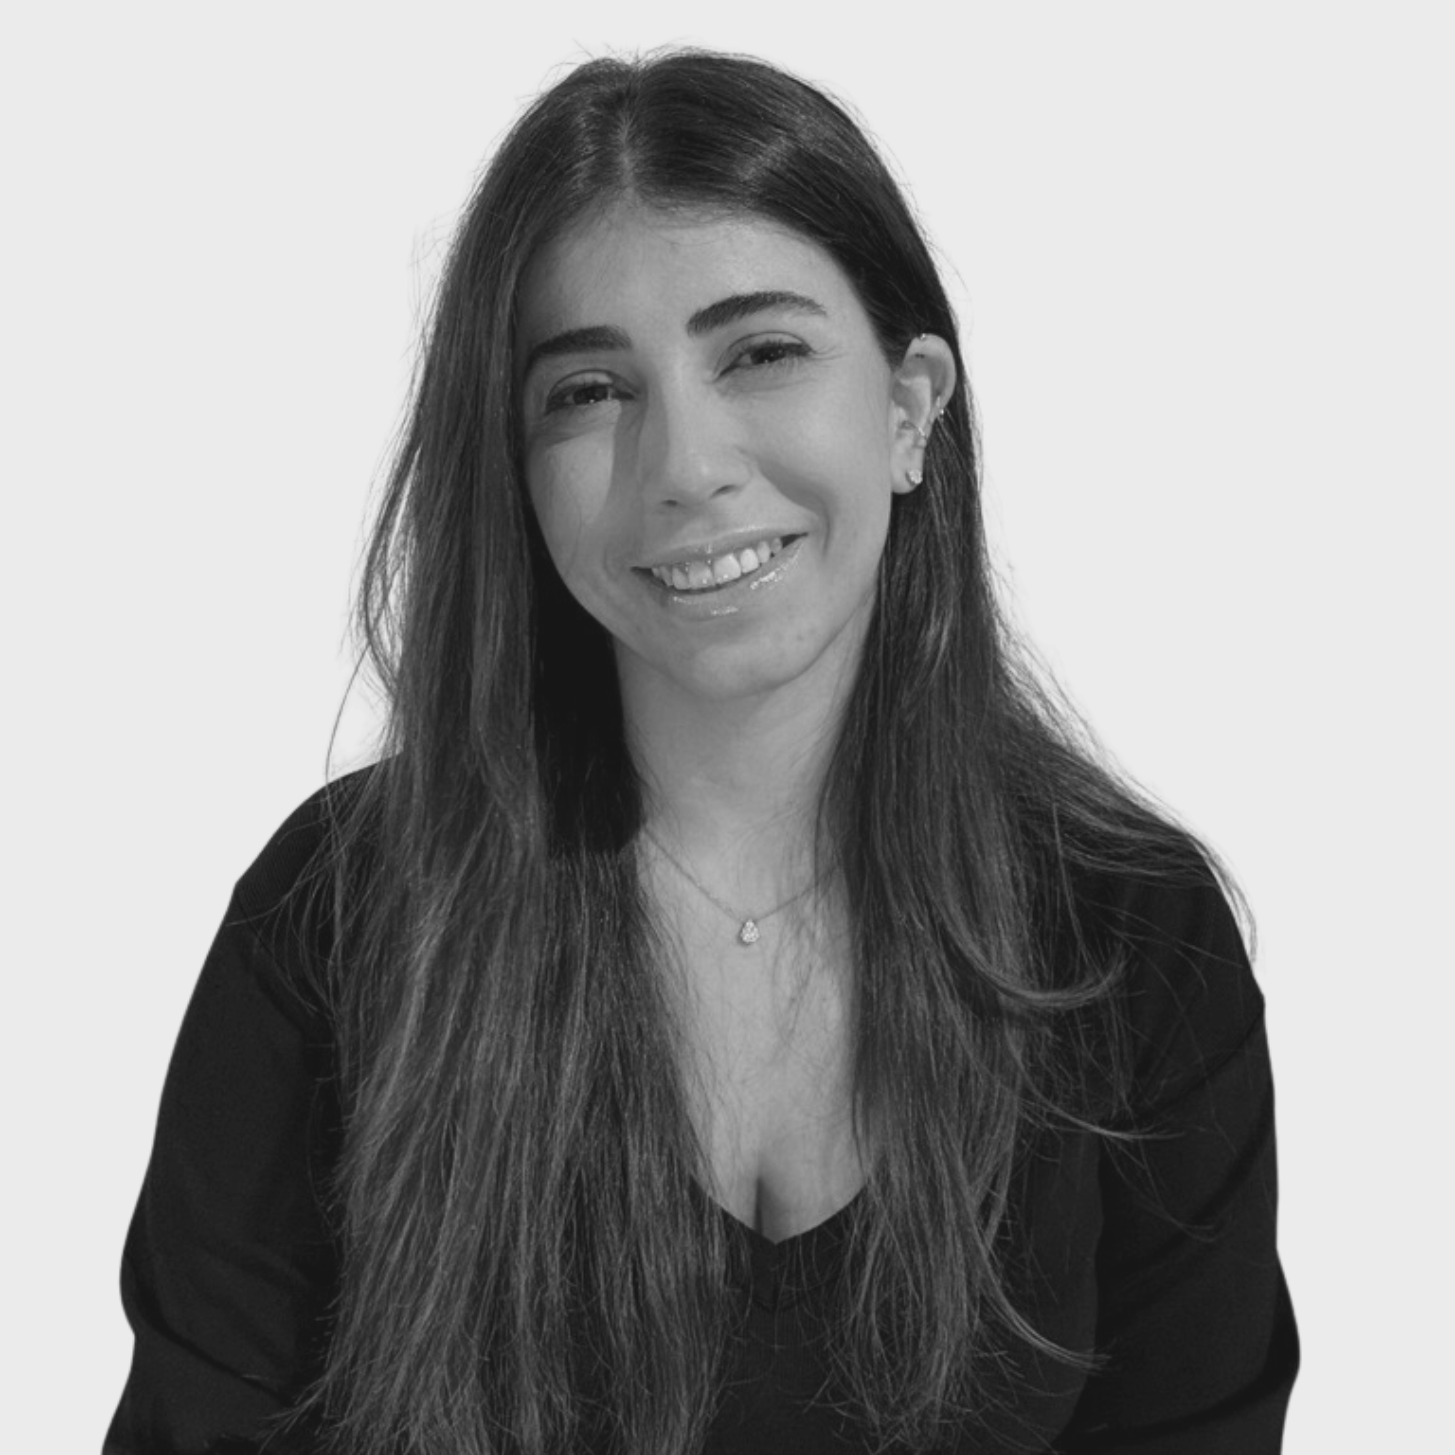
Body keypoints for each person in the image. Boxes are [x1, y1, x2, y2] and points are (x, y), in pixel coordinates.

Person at [104, 48, 1298, 1455]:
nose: (684, 464)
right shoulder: (342, 919)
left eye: (761, 352)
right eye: (588, 390)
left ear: (909, 408)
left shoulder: (1125, 941)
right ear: (517, 466)